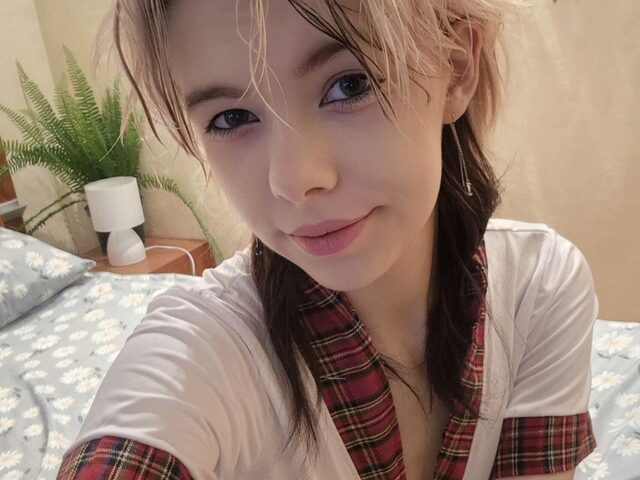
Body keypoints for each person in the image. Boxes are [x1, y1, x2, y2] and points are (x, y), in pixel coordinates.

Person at [57, 0, 599, 479]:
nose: (292, 179)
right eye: (231, 117)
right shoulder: (206, 349)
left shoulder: (538, 287)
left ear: (456, 68)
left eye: (350, 84)